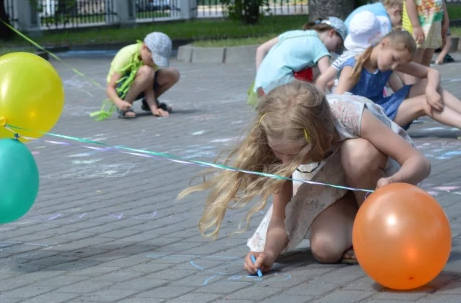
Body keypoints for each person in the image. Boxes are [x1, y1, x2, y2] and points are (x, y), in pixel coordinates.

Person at [180, 81, 430, 272]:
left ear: (316, 136)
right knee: (325, 249)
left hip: (382, 182)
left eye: (292, 155)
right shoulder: (282, 152)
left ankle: (378, 232)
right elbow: (280, 222)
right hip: (340, 187)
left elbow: (419, 163)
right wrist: (268, 253)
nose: (285, 162)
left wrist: (391, 183)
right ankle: (360, 230)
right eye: (280, 154)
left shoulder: (351, 115)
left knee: (358, 153)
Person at [335, 29, 461, 131]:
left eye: (398, 62)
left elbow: (432, 72)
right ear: (383, 44)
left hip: (381, 107)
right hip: (366, 118)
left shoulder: (391, 59)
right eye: (394, 59)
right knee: (424, 103)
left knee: (427, 84)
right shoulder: (352, 67)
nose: (395, 67)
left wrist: (431, 90)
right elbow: (336, 104)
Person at [250, 17, 347, 103]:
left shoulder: (292, 34)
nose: (334, 50)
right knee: (320, 71)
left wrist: (260, 77)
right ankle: (317, 108)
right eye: (337, 45)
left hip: (259, 88)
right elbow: (328, 79)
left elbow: (260, 49)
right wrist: (340, 97)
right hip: (280, 85)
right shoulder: (320, 47)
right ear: (332, 33)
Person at [90, 32, 180, 120]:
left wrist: (154, 109)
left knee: (173, 73)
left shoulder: (150, 61)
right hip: (121, 92)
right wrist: (119, 103)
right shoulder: (127, 54)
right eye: (153, 59)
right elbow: (110, 88)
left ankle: (147, 104)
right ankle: (126, 107)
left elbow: (149, 88)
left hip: (140, 87)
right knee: (147, 70)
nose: (154, 63)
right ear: (145, 47)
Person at [317, 11, 386, 92]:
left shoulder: (345, 57)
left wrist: (322, 103)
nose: (335, 50)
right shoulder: (383, 58)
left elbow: (321, 80)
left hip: (350, 101)